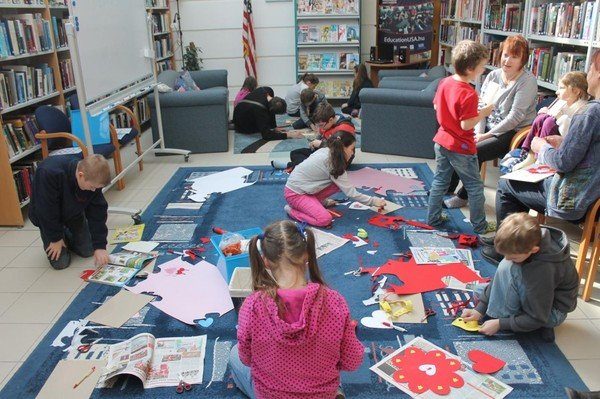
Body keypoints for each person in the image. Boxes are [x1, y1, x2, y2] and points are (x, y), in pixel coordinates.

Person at [482, 49, 600, 264]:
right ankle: (512, 240)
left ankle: (509, 249)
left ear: (598, 71)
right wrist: (564, 143)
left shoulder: (589, 113)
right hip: (593, 196)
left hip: (572, 200)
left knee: (506, 185)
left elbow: (564, 162)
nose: (588, 73)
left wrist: (540, 147)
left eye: (591, 68)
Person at [228, 220, 364, 399]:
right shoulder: (334, 301)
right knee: (329, 363)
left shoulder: (252, 306)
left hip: (271, 394)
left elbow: (246, 358)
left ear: (265, 261)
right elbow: (352, 362)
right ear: (307, 254)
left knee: (234, 355)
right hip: (321, 393)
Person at [445, 35, 538, 209]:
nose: (507, 60)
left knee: (475, 150)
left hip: (513, 132)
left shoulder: (527, 82)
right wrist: (476, 131)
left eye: (514, 56)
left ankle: (464, 195)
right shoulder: (493, 76)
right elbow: (480, 106)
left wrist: (484, 136)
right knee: (457, 140)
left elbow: (514, 117)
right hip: (487, 126)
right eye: (505, 54)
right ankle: (446, 189)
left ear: (523, 60)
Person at [461, 213, 578, 343]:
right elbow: (501, 276)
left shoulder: (543, 270)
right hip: (539, 297)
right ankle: (515, 317)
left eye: (514, 257)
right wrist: (480, 308)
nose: (508, 259)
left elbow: (538, 317)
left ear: (534, 250)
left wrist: (501, 323)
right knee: (488, 283)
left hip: (552, 313)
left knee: (508, 269)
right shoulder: (532, 239)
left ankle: (529, 323)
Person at [427, 40, 496, 235]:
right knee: (474, 186)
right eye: (482, 66)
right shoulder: (469, 93)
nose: (484, 69)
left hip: (441, 140)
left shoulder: (445, 82)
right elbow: (466, 124)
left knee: (440, 181)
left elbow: (436, 106)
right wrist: (484, 112)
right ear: (470, 68)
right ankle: (480, 226)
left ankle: (433, 218)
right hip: (461, 146)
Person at [284, 131, 386, 227]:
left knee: (338, 184)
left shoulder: (327, 151)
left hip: (304, 189)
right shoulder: (334, 163)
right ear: (343, 148)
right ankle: (292, 211)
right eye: (352, 149)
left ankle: (317, 202)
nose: (352, 153)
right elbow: (351, 193)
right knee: (325, 219)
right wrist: (373, 201)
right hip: (295, 194)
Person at [29, 154, 111, 270]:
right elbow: (45, 211)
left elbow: (98, 213)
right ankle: (61, 234)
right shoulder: (48, 173)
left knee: (88, 250)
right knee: (61, 263)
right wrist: (55, 238)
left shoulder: (93, 180)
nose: (94, 191)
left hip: (73, 213)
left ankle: (67, 234)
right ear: (80, 175)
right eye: (92, 187)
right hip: (48, 218)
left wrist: (100, 246)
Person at [503, 71, 589, 173]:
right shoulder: (564, 103)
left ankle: (539, 157)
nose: (557, 92)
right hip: (551, 139)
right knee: (542, 118)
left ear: (576, 91)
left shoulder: (581, 108)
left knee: (549, 122)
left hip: (561, 142)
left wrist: (557, 117)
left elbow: (567, 131)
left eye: (562, 88)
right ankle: (528, 152)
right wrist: (545, 113)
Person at [275, 102, 355, 170]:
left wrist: (321, 144)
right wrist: (314, 142)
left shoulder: (345, 128)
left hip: (339, 160)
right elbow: (321, 134)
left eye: (321, 125)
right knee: (294, 153)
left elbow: (340, 151)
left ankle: (292, 166)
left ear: (330, 120)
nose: (320, 128)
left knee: (309, 161)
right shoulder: (328, 122)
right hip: (325, 152)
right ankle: (301, 167)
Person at [233, 86, 303, 141]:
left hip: (244, 109)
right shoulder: (260, 110)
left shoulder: (268, 90)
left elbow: (271, 112)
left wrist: (274, 127)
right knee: (265, 127)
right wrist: (288, 135)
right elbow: (267, 136)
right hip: (241, 124)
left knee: (267, 122)